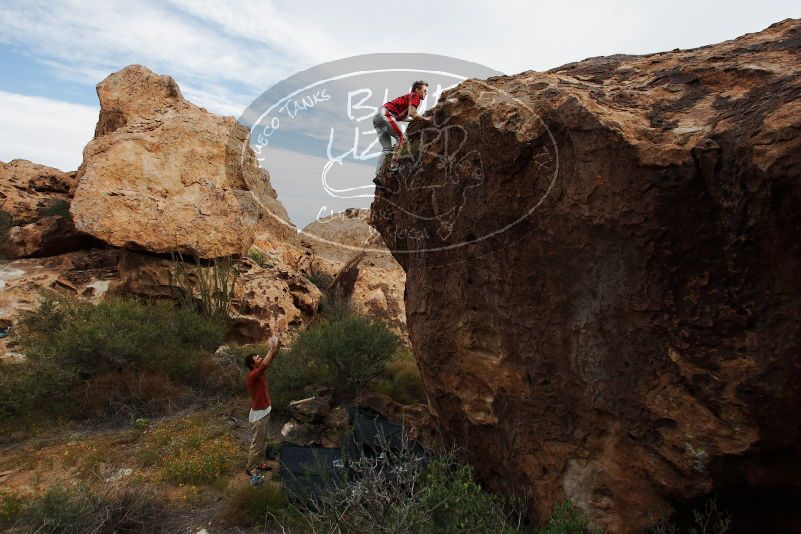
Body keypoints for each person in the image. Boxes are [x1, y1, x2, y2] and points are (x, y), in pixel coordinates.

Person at [373, 80, 433, 190]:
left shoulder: (406, 99)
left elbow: (404, 116)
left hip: (378, 117)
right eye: (424, 91)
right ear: (417, 90)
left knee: (387, 149)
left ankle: (378, 177)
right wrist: (425, 119)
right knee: (401, 138)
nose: (426, 93)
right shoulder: (414, 96)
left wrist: (412, 120)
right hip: (385, 114)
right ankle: (393, 166)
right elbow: (412, 113)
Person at [243, 334, 282, 479]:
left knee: (264, 441)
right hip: (258, 416)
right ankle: (250, 468)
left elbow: (271, 357)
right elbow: (266, 362)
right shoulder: (253, 375)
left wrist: (277, 345)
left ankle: (260, 463)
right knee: (257, 444)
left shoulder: (259, 373)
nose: (260, 358)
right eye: (257, 358)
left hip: (264, 412)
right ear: (253, 364)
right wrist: (270, 349)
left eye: (260, 356)